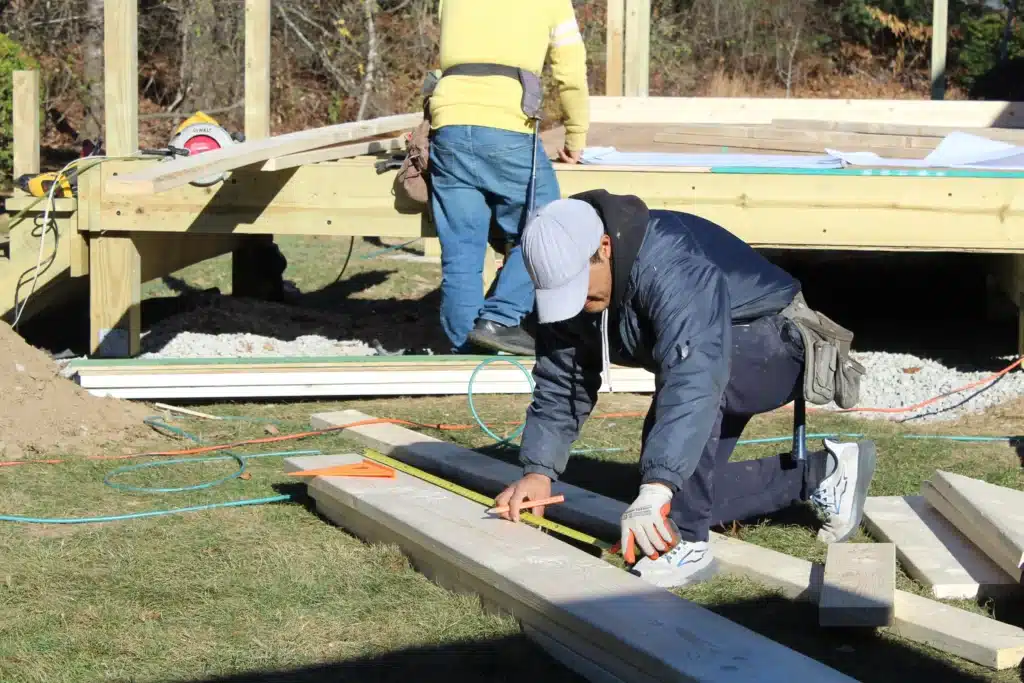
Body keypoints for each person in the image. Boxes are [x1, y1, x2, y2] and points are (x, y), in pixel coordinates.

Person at [493, 189, 876, 589]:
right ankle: (821, 473)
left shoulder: (670, 261)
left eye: (582, 291)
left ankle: (688, 545)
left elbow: (695, 372)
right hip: (713, 354)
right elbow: (563, 381)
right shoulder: (566, 278)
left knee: (666, 473)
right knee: (670, 494)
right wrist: (539, 471)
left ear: (604, 248)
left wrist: (657, 485)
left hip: (775, 344)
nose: (580, 304)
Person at [427, 0, 589, 356]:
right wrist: (576, 136)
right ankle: (500, 318)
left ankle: (464, 356)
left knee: (461, 253)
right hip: (507, 128)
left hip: (448, 125)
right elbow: (571, 75)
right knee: (552, 229)